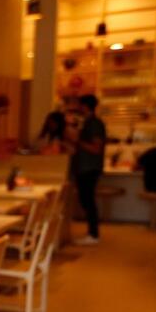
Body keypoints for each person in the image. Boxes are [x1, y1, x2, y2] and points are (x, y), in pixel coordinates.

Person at [67, 93, 107, 244]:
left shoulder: (94, 124)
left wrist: (78, 142)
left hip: (89, 167)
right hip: (86, 167)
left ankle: (93, 234)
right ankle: (92, 233)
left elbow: (96, 148)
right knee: (86, 200)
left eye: (79, 105)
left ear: (85, 106)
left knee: (87, 200)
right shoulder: (88, 123)